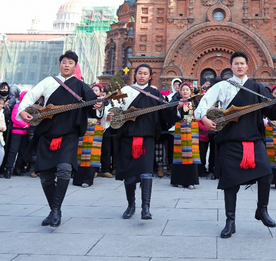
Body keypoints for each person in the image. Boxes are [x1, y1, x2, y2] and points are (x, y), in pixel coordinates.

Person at [195, 52, 276, 239]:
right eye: (236, 63)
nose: (239, 66)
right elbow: (202, 104)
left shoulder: (257, 88)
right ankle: (230, 221)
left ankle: (261, 210)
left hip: (254, 140)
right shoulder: (222, 86)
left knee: (266, 173)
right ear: (231, 67)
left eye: (242, 63)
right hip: (230, 141)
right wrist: (204, 118)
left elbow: (272, 112)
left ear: (248, 67)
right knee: (230, 184)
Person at [17, 51, 99, 227]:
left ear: (75, 66)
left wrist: (98, 105)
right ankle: (55, 209)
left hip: (69, 134)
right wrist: (23, 110)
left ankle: (55, 210)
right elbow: (30, 97)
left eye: (70, 62)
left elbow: (94, 107)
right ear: (60, 64)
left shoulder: (81, 86)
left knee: (64, 170)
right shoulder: (49, 82)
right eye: (64, 62)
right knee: (45, 177)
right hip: (46, 133)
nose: (67, 65)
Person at [105, 64, 180, 220]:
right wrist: (111, 114)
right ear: (135, 74)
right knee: (129, 175)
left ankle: (145, 207)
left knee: (146, 172)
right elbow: (113, 107)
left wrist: (177, 108)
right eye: (140, 73)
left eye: (145, 73)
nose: (142, 76)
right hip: (127, 137)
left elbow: (165, 113)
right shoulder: (125, 91)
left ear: (150, 76)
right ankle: (130, 205)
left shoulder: (154, 93)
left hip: (147, 138)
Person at [72, 83, 106, 188]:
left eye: (96, 90)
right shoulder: (84, 102)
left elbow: (102, 115)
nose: (94, 92)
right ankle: (77, 178)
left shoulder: (103, 102)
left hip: (95, 129)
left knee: (92, 155)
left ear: (100, 92)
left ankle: (88, 179)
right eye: (92, 90)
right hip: (83, 128)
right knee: (80, 154)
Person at [170, 82, 200, 189]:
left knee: (191, 155)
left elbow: (198, 114)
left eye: (187, 90)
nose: (185, 92)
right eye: (183, 90)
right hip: (180, 129)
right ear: (180, 92)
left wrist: (188, 105)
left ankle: (191, 181)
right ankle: (179, 180)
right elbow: (173, 116)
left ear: (190, 91)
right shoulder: (176, 102)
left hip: (192, 129)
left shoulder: (195, 102)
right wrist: (178, 108)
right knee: (180, 154)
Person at [6, 91, 30, 178]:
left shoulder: (30, 107)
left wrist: (28, 125)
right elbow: (14, 118)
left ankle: (17, 168)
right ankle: (8, 168)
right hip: (17, 131)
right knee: (13, 151)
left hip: (26, 132)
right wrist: (25, 125)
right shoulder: (17, 105)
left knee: (22, 151)